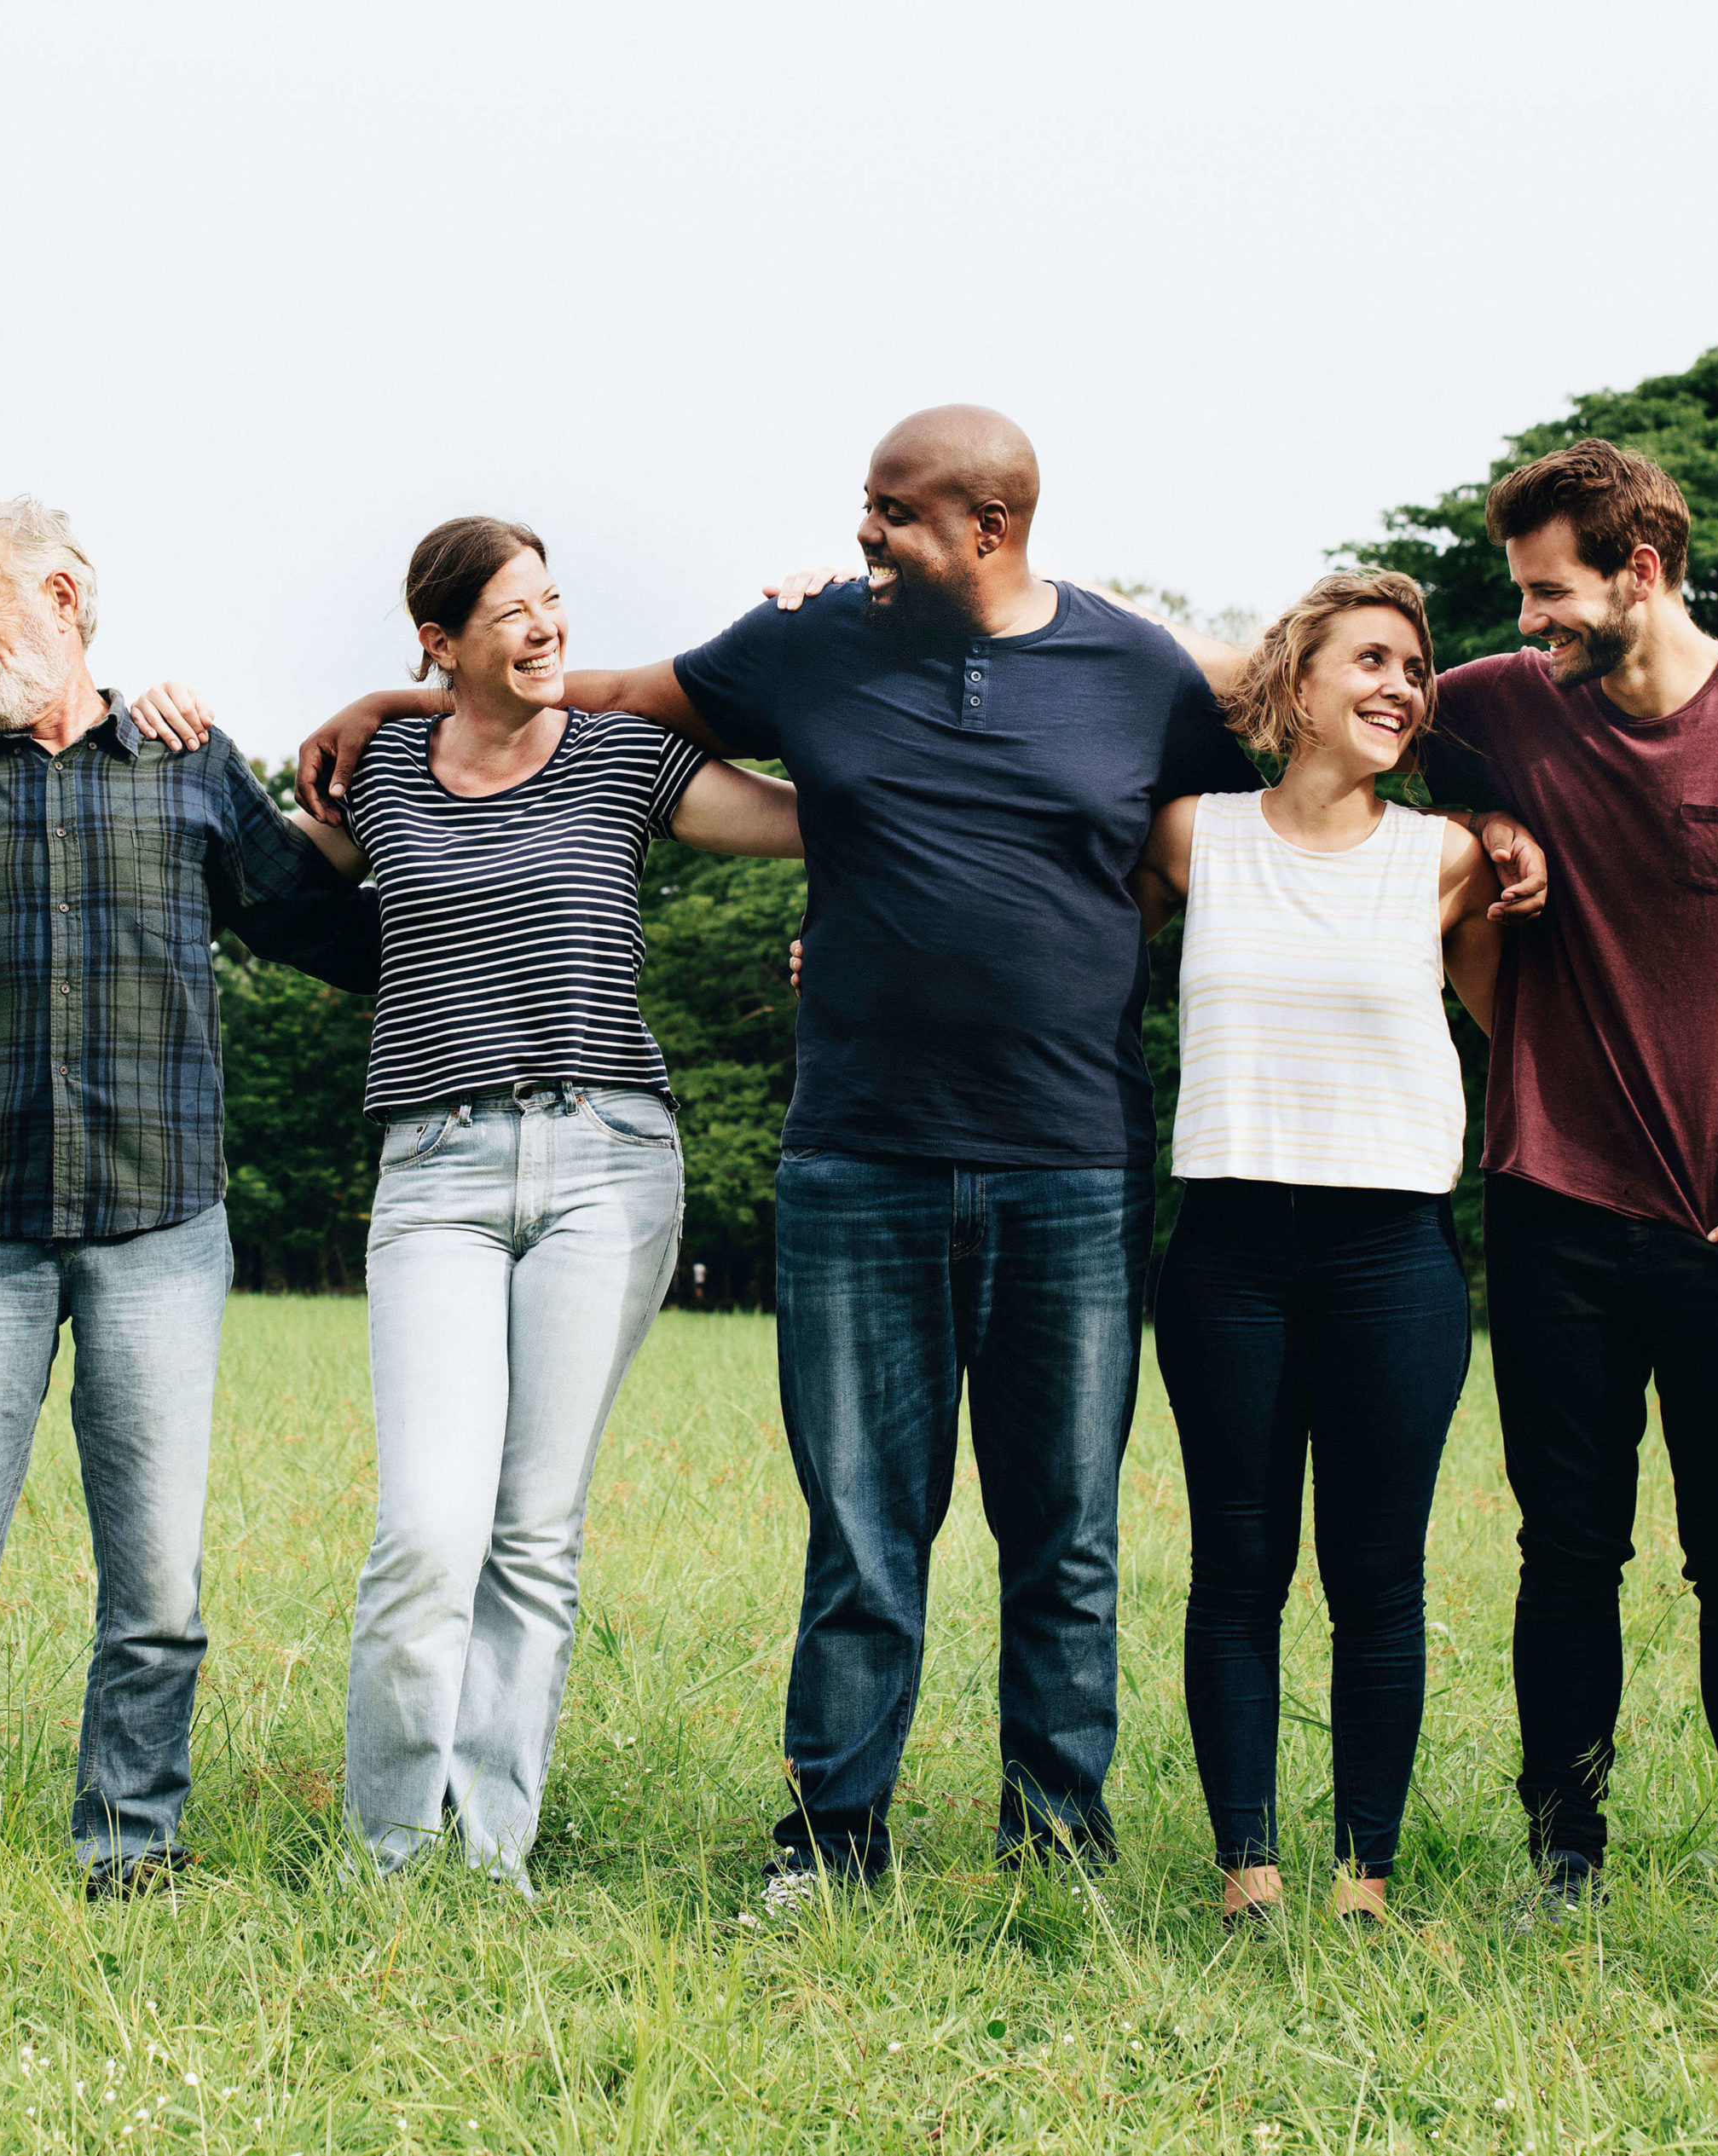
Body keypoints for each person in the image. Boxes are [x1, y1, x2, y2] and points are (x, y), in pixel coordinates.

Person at [281, 409, 1296, 1900]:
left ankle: (1059, 1846)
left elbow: (1287, 766)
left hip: (1071, 1156)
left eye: (895, 512)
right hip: (857, 1158)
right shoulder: (812, 642)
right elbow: (602, 689)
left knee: (1066, 1529)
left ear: (990, 530)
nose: (865, 532)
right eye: (868, 505)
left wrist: (1486, 853)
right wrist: (394, 694)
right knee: (864, 1533)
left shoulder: (1134, 672)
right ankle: (832, 1843)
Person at [1128, 439, 1718, 1962]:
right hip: (1552, 1204)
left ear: (1640, 573)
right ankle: (1563, 1857)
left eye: (1546, 594)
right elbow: (1242, 673)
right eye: (1515, 602)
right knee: (1565, 1550)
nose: (1523, 630)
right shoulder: (1500, 714)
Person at [240, 516, 800, 1888]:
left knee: (533, 1527)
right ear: (441, 642)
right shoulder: (379, 770)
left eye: (554, 602)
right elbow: (264, 887)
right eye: (513, 612)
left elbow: (808, 818)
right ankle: (393, 1851)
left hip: (608, 1159)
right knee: (431, 1524)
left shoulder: (622, 756)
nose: (547, 628)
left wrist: (823, 655)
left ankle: (490, 1850)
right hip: (433, 1169)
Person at [0, 498, 378, 1898]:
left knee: (156, 1587)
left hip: (159, 1229)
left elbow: (332, 928)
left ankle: (132, 1849)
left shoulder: (192, 770)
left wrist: (446, 814)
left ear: (65, 596)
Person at [1134, 572, 1498, 1930]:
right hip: (1228, 1246)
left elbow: (1542, 1033)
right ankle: (1247, 1865)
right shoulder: (1194, 835)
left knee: (1377, 1569)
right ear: (1293, 685)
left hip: (1392, 1251)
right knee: (1238, 1561)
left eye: (1417, 667)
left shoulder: (1450, 857)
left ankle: (1362, 1875)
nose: (1404, 684)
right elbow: (1059, 946)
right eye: (1372, 659)